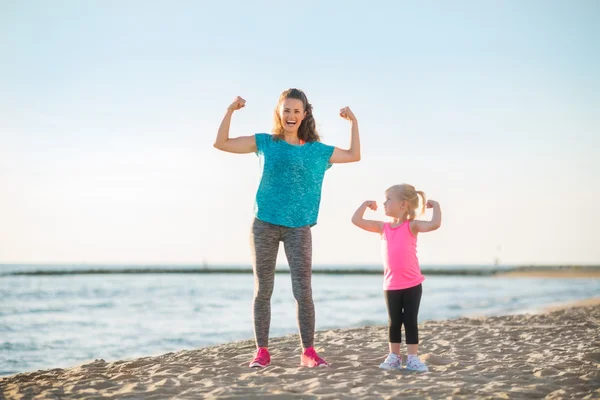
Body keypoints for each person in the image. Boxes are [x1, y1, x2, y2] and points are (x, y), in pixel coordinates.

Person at [214, 88, 361, 368]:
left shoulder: (317, 151)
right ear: (279, 114)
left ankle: (308, 351)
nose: (291, 116)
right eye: (286, 111)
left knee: (303, 291)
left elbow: (354, 155)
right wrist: (230, 110)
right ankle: (262, 351)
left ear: (304, 114)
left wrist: (353, 123)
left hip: (299, 227)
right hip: (264, 223)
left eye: (296, 111)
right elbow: (221, 143)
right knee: (263, 290)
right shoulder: (266, 143)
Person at [351, 184, 442, 372]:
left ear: (403, 204)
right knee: (394, 321)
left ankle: (413, 358)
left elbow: (434, 224)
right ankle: (393, 356)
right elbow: (356, 220)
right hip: (391, 284)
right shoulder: (382, 228)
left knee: (410, 320)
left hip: (412, 283)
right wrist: (364, 204)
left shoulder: (412, 225)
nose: (384, 203)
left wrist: (437, 206)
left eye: (388, 200)